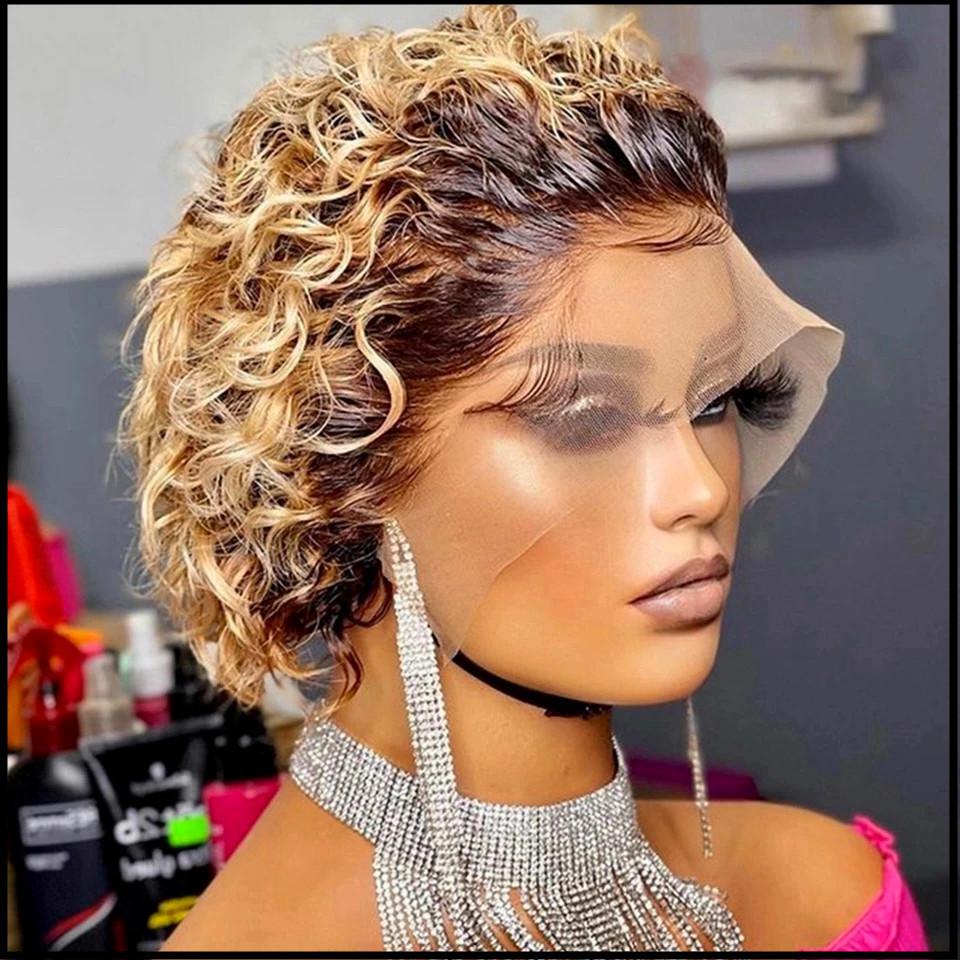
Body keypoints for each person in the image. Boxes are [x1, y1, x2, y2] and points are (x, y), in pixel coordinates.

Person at [118, 5, 929, 951]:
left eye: (715, 399)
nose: (703, 490)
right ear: (341, 468)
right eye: (583, 417)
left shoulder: (829, 898)